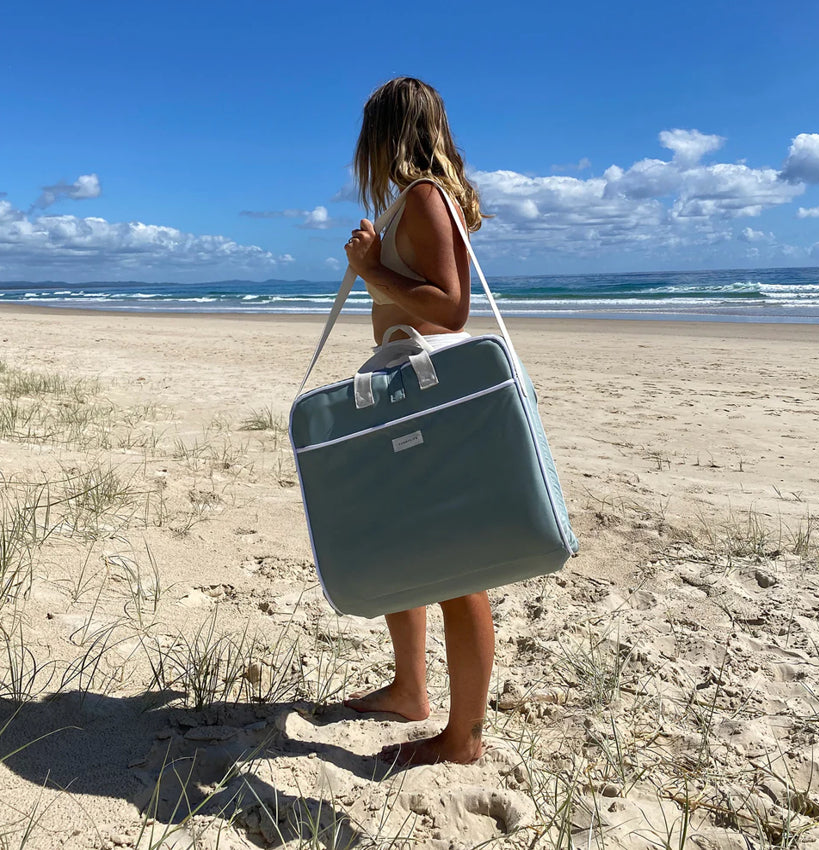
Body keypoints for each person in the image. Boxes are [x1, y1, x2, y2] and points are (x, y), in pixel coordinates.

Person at [341, 77, 493, 765]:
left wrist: (374, 270)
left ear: (387, 134)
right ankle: (409, 688)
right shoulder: (420, 198)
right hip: (410, 385)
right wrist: (374, 267)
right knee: (406, 542)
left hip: (428, 387)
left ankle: (462, 739)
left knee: (459, 567)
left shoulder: (427, 196)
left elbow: (450, 307)